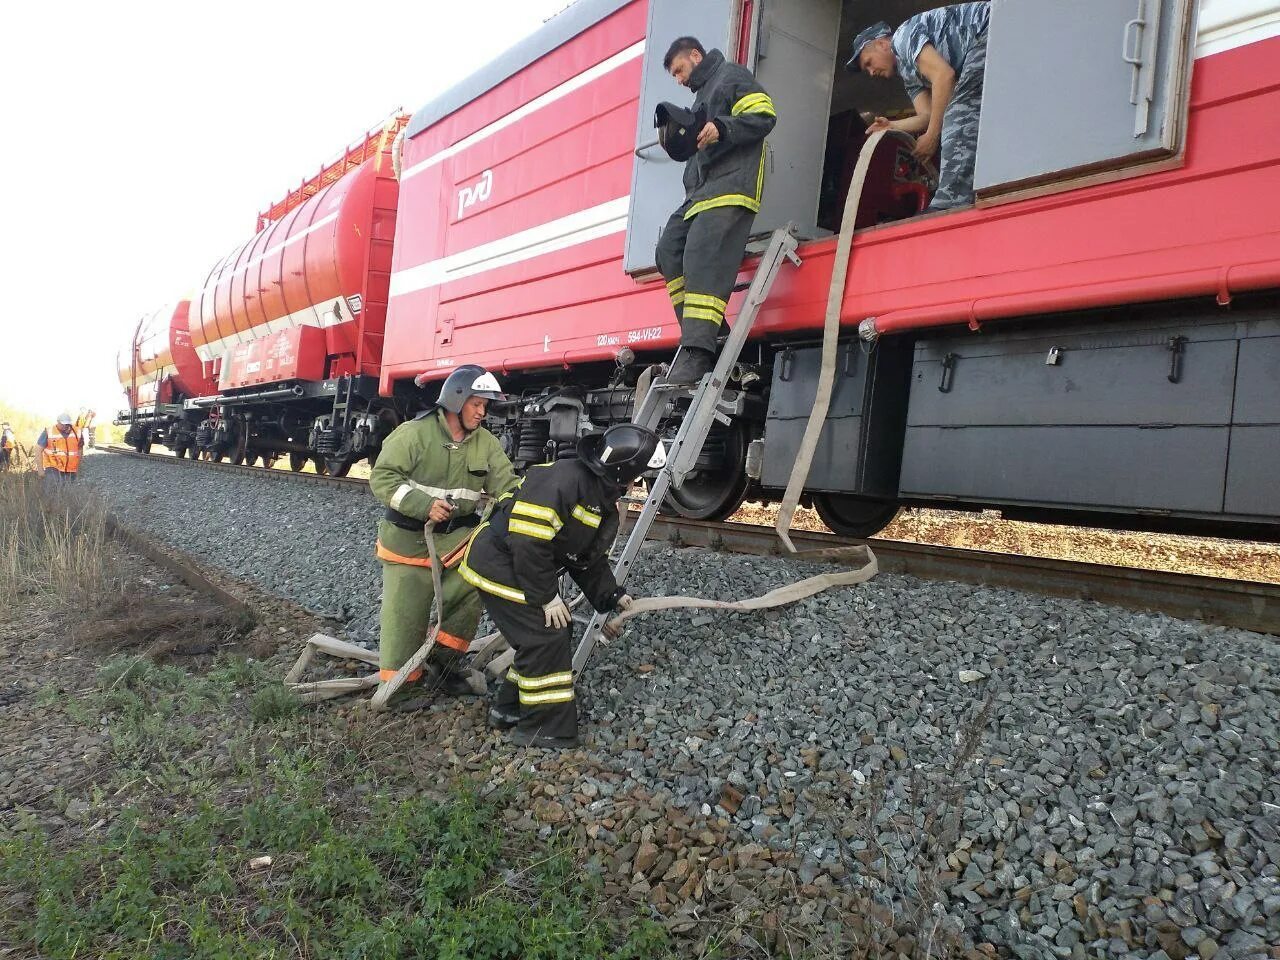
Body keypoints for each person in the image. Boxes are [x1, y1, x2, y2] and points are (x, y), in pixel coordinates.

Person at [460, 423, 666, 749]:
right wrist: (546, 598)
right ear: (622, 472)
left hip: (519, 564)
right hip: (499, 563)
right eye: (637, 476)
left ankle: (511, 709)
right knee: (546, 634)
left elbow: (583, 555)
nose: (636, 484)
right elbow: (528, 542)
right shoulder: (564, 482)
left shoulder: (596, 492)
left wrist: (611, 595)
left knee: (554, 630)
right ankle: (543, 728)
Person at [369, 364, 519, 709]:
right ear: (456, 399)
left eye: (485, 405)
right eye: (476, 403)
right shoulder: (413, 434)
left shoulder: (486, 444)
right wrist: (423, 505)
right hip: (408, 542)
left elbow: (507, 486)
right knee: (405, 614)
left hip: (457, 540)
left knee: (475, 581)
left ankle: (443, 662)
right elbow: (383, 479)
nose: (482, 412)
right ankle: (399, 688)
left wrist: (521, 509)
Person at [654, 36, 777, 385]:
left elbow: (764, 114)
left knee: (701, 253)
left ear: (696, 55)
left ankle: (697, 351)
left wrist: (722, 127)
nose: (679, 79)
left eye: (679, 70)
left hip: (731, 187)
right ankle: (711, 335)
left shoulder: (731, 76)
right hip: (700, 192)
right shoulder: (699, 99)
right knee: (669, 251)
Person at [847, 2, 990, 212]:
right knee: (954, 112)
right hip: (984, 41)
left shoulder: (903, 38)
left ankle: (952, 198)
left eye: (869, 63)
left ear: (881, 44)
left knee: (959, 110)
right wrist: (891, 126)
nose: (871, 72)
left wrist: (932, 136)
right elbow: (927, 115)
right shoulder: (909, 75)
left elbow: (944, 76)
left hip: (990, 27)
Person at [36, 413, 83, 481]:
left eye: (67, 424)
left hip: (71, 470)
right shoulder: (48, 431)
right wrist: (40, 470)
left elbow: (80, 450)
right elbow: (38, 449)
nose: (65, 426)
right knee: (53, 489)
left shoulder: (77, 432)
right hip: (52, 468)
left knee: (69, 490)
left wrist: (78, 468)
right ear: (58, 422)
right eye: (63, 424)